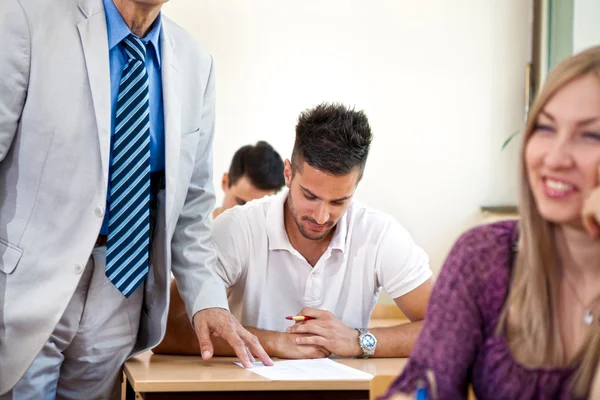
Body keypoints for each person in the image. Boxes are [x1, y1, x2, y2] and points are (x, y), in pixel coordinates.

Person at [0, 0, 271, 398]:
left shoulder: (196, 63)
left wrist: (209, 301)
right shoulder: (26, 17)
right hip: (27, 287)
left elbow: (192, 208)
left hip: (122, 292)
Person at [381, 46, 600, 400]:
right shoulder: (486, 256)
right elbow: (427, 384)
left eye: (591, 135)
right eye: (545, 128)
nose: (555, 158)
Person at [154, 102, 433, 359]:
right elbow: (165, 331)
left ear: (356, 185)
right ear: (288, 174)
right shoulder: (238, 228)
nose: (322, 217)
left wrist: (359, 341)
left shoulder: (380, 234)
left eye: (339, 201)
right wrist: (274, 342)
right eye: (309, 196)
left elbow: (448, 327)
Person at [212, 141, 285, 219]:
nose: (250, 218)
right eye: (242, 204)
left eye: (261, 209)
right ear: (225, 182)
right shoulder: (199, 228)